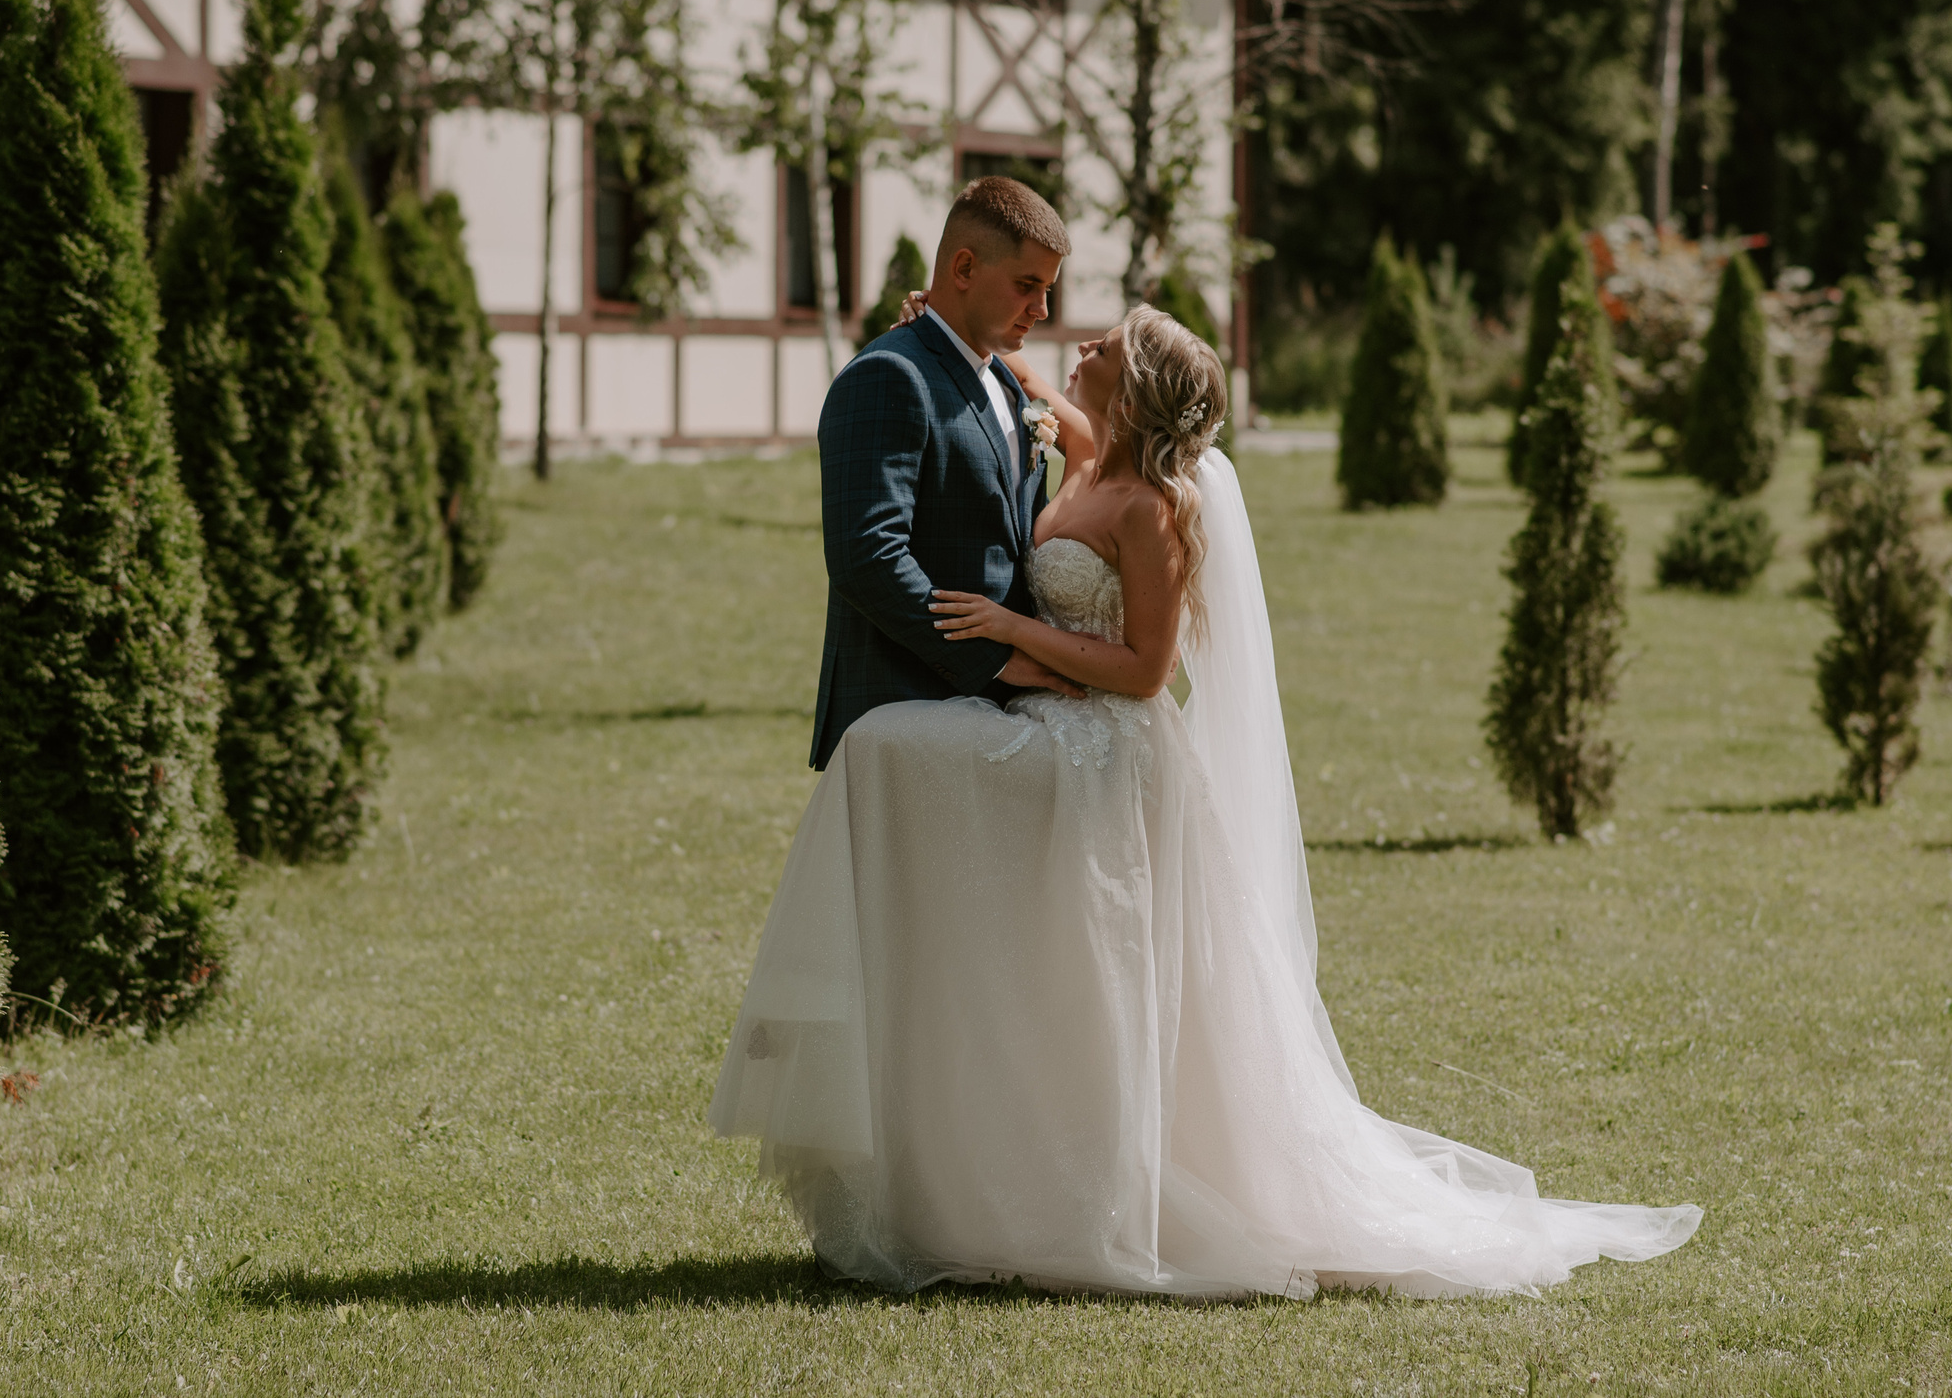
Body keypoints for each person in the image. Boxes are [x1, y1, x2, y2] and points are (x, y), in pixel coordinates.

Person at [708, 178, 1699, 1297]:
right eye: (1028, 287)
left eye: (1063, 306)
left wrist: (1016, 644)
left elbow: (1140, 665)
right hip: (1010, 710)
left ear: (1132, 390)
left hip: (1077, 731)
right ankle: (962, 1182)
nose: (1051, 318)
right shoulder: (991, 405)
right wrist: (1009, 645)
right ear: (965, 268)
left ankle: (1039, 1188)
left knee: (1061, 970)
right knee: (998, 974)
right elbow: (891, 536)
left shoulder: (1141, 496)